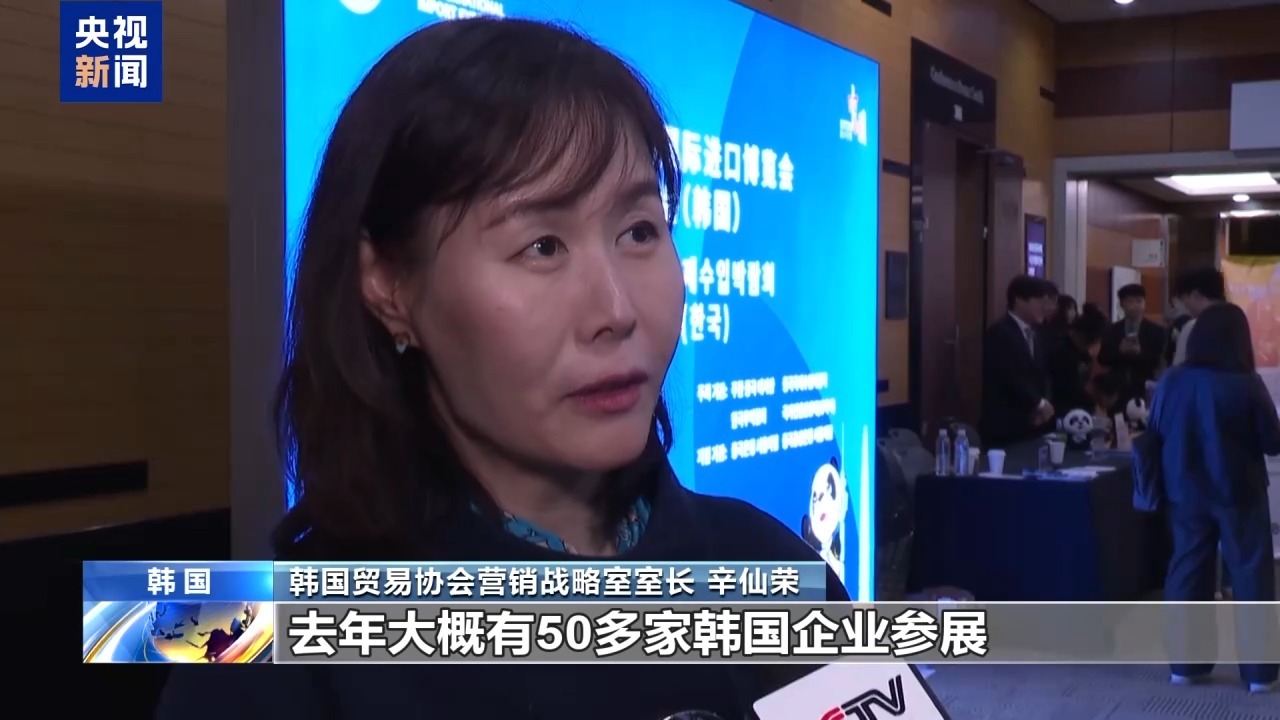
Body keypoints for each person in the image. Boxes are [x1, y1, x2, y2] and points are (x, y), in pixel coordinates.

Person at [159, 18, 847, 719]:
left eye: (639, 231)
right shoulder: (254, 659)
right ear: (389, 286)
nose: (615, 309)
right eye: (542, 246)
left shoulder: (777, 575)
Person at [1147, 303, 1280, 694]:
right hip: (1240, 491)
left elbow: (1155, 431)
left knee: (1187, 571)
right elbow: (1273, 443)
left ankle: (1185, 667)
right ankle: (1259, 674)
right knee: (1251, 575)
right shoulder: (1246, 382)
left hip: (1183, 490)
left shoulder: (1172, 381)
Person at [981, 275, 1053, 447]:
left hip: (1033, 424)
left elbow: (1041, 375)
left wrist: (1043, 405)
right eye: (1040, 301)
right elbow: (1011, 376)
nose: (1045, 308)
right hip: (1006, 426)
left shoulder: (1037, 333)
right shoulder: (1000, 332)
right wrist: (1038, 403)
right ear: (1019, 300)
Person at [1099, 283, 1165, 404]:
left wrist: (1139, 353)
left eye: (1139, 301)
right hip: (1116, 390)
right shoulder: (1111, 329)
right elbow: (1102, 358)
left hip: (1144, 389)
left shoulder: (1157, 331)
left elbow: (1158, 361)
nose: (1135, 306)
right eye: (1130, 301)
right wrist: (1119, 351)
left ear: (1144, 303)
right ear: (1121, 304)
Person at [1048, 309, 1107, 417]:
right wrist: (1093, 401)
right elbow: (1069, 390)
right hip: (1064, 411)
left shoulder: (1081, 354)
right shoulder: (1062, 353)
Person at [1170, 266, 1227, 367]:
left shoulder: (1193, 327)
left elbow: (1178, 370)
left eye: (1184, 298)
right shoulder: (1238, 324)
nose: (1185, 305)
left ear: (1195, 294)